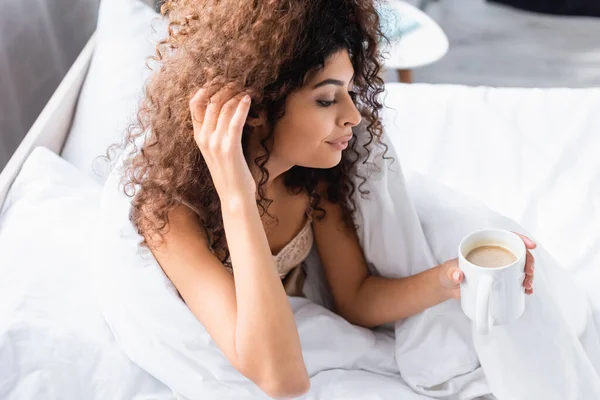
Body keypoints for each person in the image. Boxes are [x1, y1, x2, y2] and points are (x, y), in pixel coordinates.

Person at [108, 0, 536, 398]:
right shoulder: (170, 211)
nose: (352, 116)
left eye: (350, 92)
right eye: (327, 99)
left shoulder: (312, 179)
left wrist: (449, 279)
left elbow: (355, 298)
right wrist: (237, 195)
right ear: (255, 107)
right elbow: (283, 379)